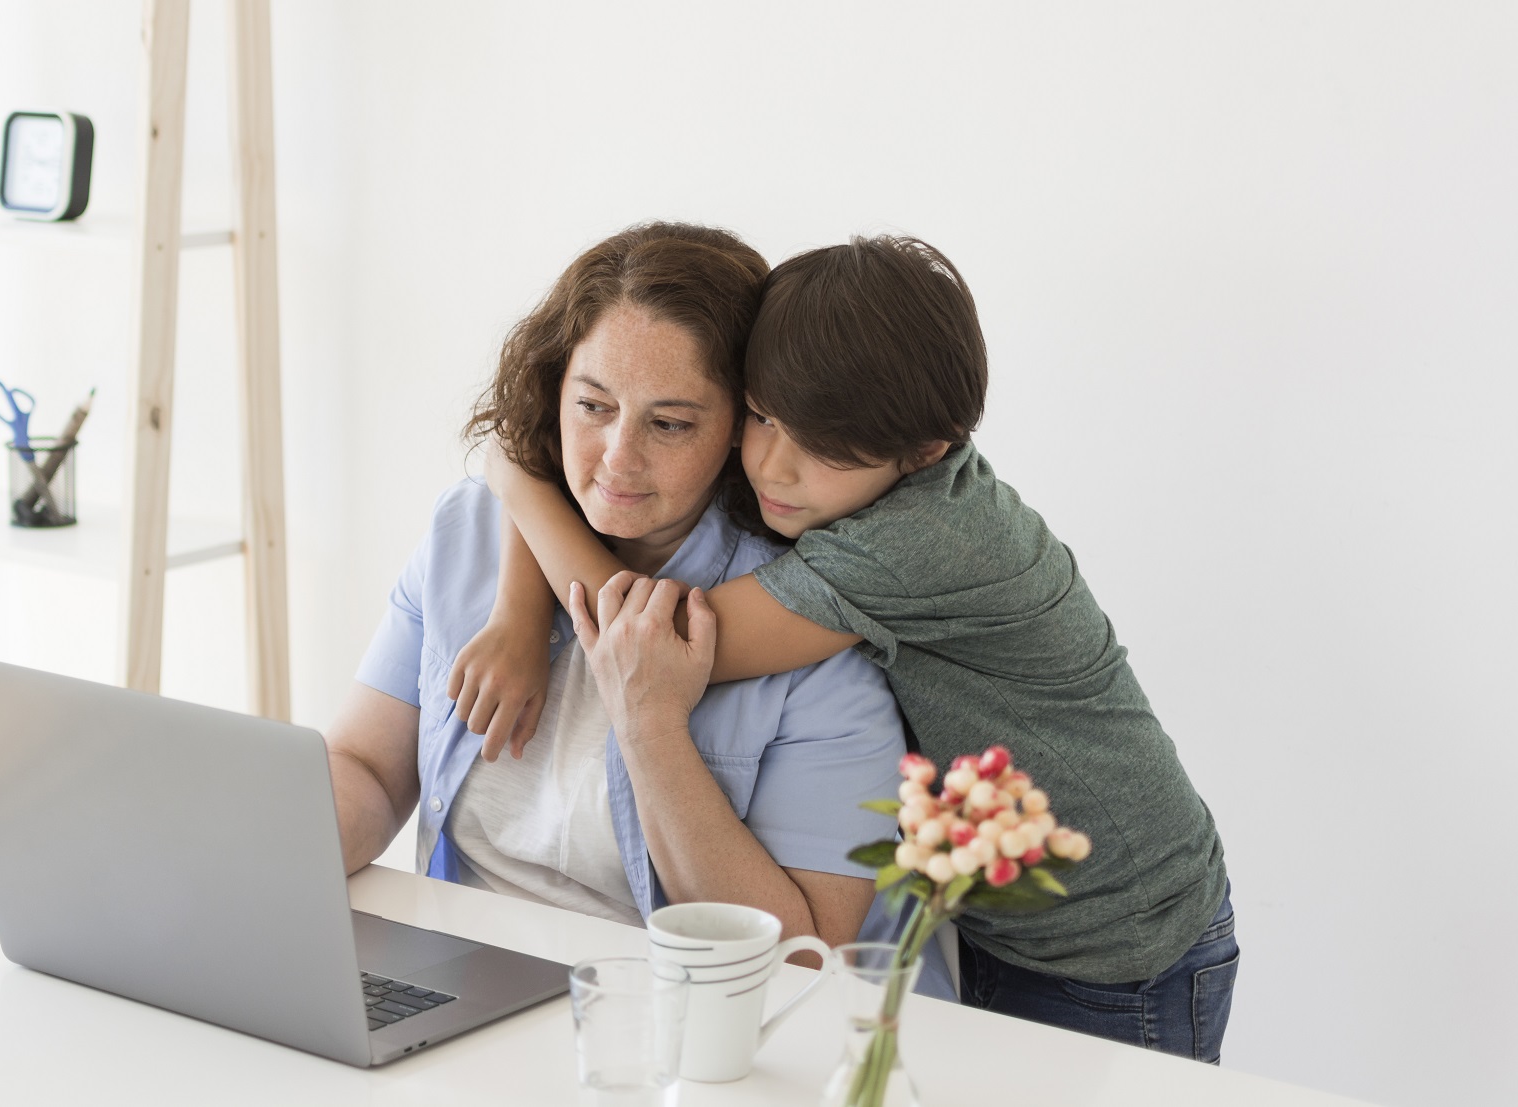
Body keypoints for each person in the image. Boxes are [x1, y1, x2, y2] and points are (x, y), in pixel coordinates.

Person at [474, 236, 1237, 1062]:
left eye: (827, 448)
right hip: (991, 920)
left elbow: (654, 639)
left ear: (926, 451)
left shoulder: (918, 540)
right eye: (763, 415)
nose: (775, 465)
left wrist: (518, 474)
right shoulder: (861, 480)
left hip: (1118, 941)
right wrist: (518, 607)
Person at [323, 222, 929, 967]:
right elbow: (368, 769)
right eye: (593, 406)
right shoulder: (468, 538)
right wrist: (273, 838)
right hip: (463, 986)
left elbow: (807, 962)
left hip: (673, 1029)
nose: (618, 458)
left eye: (670, 423)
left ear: (745, 426)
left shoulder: (811, 626)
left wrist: (650, 725)